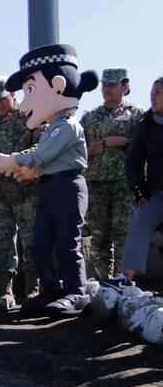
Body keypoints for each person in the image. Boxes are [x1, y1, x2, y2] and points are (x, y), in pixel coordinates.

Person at [0, 43, 100, 316]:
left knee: (68, 243)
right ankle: (51, 289)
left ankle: (76, 292)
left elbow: (43, 154)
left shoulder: (69, 126)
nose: (25, 102)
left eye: (31, 90)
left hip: (68, 187)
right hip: (50, 187)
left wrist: (15, 161)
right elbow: (40, 154)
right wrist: (19, 159)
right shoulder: (52, 128)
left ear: (58, 85)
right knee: (41, 243)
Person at [0, 76, 42, 311]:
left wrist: (19, 162)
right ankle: (4, 292)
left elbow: (40, 148)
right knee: (1, 244)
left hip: (27, 192)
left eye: (2, 99)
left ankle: (33, 290)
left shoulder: (30, 118)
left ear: (13, 95)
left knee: (32, 241)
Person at [81, 68, 144, 280]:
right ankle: (102, 284)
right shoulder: (89, 118)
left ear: (124, 87)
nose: (106, 89)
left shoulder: (136, 115)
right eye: (104, 85)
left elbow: (149, 145)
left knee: (123, 234)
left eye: (112, 85)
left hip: (124, 184)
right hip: (96, 184)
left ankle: (124, 282)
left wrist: (124, 142)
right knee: (99, 237)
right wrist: (90, 151)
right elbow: (75, 150)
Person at [121, 76, 163, 280]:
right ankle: (125, 280)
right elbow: (133, 161)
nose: (152, 97)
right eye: (151, 93)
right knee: (140, 221)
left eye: (158, 93)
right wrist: (139, 192)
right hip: (155, 193)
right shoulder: (146, 124)